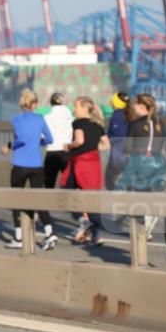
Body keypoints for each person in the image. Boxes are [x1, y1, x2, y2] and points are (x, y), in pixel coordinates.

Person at [0, 89, 57, 251]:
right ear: (34, 104)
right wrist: (36, 144)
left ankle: (19, 237)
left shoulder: (17, 119)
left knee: (16, 200)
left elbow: (21, 140)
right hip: (37, 165)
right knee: (39, 199)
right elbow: (50, 139)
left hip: (20, 164)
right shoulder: (40, 119)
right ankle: (49, 233)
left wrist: (9, 146)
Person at [116, 94, 166, 240]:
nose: (133, 106)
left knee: (136, 196)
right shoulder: (161, 123)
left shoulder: (135, 124)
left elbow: (127, 147)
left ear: (142, 106)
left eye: (135, 104)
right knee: (149, 193)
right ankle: (150, 216)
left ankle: (144, 220)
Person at [62, 97, 110, 246]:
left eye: (76, 106)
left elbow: (80, 140)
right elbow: (106, 145)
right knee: (92, 198)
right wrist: (93, 149)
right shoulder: (98, 125)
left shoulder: (78, 123)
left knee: (67, 193)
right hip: (94, 163)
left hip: (80, 163)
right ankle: (96, 235)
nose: (74, 109)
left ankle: (84, 222)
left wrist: (69, 146)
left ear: (83, 108)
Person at [42, 92, 73, 188]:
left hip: (52, 152)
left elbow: (43, 136)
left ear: (51, 103)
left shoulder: (46, 117)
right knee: (68, 185)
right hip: (67, 152)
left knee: (49, 185)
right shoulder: (70, 117)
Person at [105, 91, 131, 190]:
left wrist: (106, 140)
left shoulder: (117, 117)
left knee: (110, 181)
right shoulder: (128, 114)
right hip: (127, 155)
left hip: (118, 155)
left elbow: (118, 136)